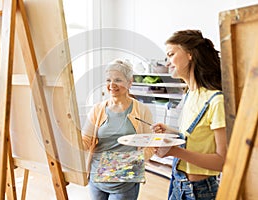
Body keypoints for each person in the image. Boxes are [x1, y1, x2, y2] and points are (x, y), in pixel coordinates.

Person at [151, 30, 227, 200]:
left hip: (200, 192)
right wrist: (170, 131)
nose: (168, 62)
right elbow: (197, 139)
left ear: (190, 54)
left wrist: (175, 152)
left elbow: (222, 161)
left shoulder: (216, 101)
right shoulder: (189, 95)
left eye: (171, 54)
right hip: (178, 184)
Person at [82, 59, 154, 200]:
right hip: (97, 179)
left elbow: (150, 146)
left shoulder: (142, 110)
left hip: (125, 181)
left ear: (129, 82)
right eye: (108, 80)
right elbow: (85, 140)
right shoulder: (97, 109)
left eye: (118, 80)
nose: (112, 85)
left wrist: (127, 162)